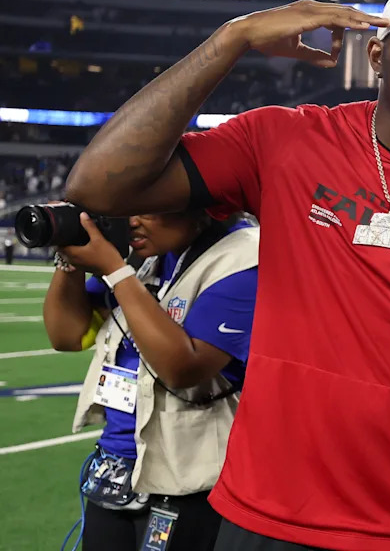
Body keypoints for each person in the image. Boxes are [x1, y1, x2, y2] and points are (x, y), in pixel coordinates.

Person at [64, 0, 390, 551]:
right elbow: (98, 186)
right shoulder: (286, 141)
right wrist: (232, 38)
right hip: (262, 519)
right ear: (377, 53)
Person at [43, 209, 258, 550]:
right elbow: (67, 336)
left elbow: (183, 369)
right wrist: (70, 258)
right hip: (114, 472)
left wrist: (116, 272)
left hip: (191, 482)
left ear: (202, 206)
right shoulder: (145, 253)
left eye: (149, 207)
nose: (131, 219)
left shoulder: (244, 256)